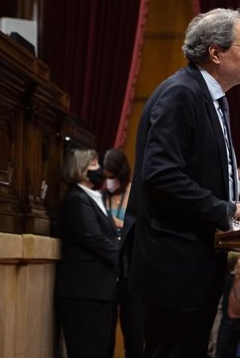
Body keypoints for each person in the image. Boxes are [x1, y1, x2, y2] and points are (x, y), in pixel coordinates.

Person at [120, 7, 240, 358]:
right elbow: (161, 175)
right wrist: (227, 210)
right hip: (174, 269)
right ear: (216, 52)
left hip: (195, 266)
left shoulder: (211, 98)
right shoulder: (180, 94)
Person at [55, 148, 119, 358]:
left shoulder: (94, 197)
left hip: (101, 291)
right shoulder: (76, 198)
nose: (99, 169)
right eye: (93, 164)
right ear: (80, 169)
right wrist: (126, 255)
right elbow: (95, 239)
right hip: (84, 293)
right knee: (87, 351)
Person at [102, 148, 144, 357]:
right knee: (105, 335)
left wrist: (111, 223)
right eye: (106, 177)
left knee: (134, 333)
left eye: (112, 176)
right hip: (108, 273)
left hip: (129, 272)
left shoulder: (132, 193)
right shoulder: (103, 197)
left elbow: (132, 226)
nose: (109, 181)